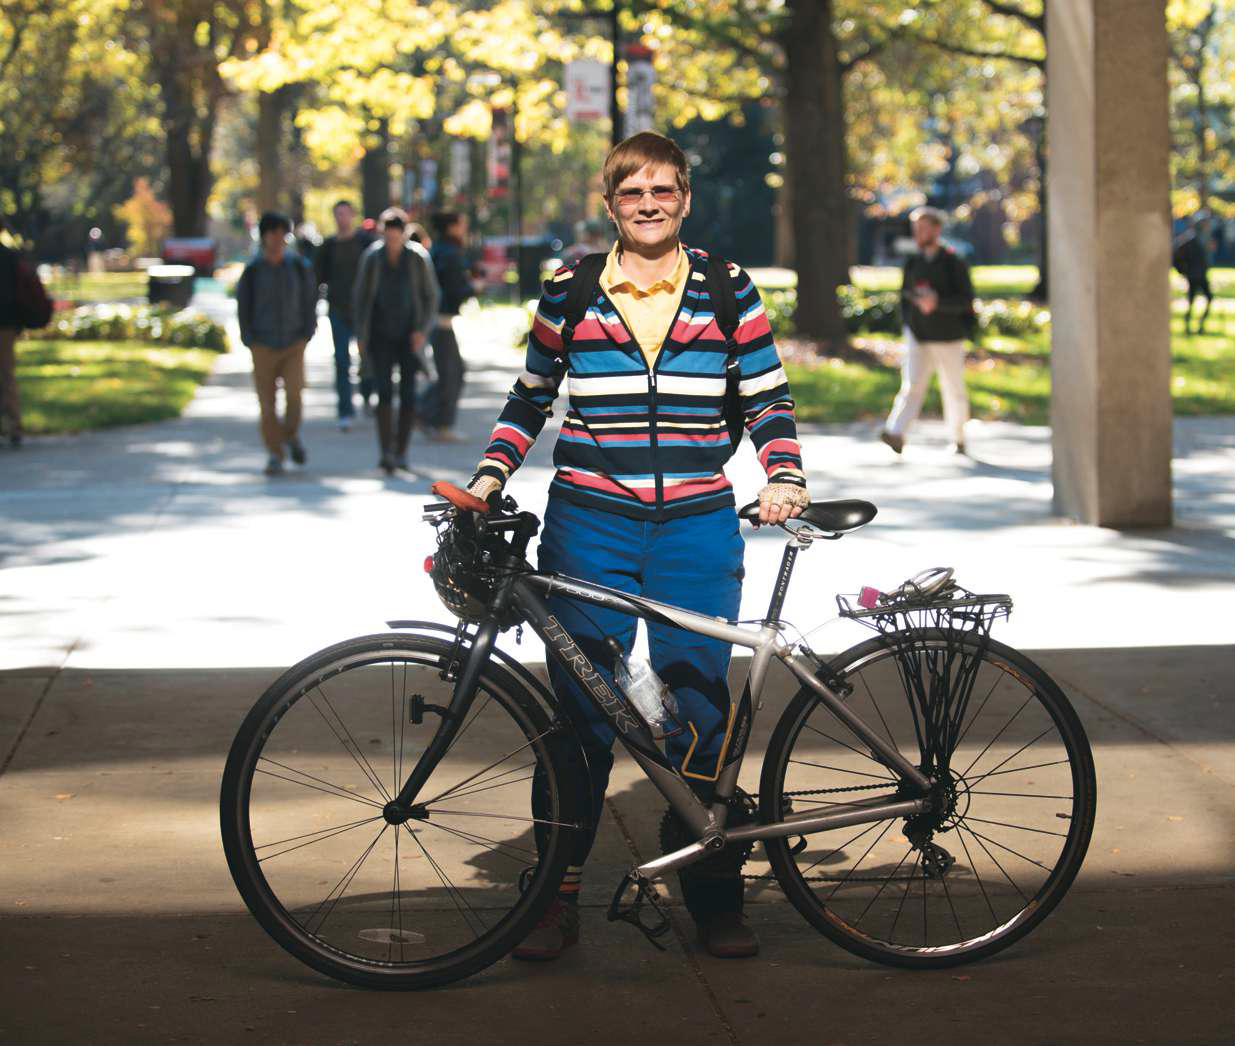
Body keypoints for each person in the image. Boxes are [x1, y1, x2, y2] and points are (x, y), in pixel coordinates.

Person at [466, 131, 809, 961]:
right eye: (631, 193)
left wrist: (783, 474)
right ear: (609, 202)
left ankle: (714, 894)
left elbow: (767, 398)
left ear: (684, 198)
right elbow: (531, 396)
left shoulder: (729, 289)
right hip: (589, 521)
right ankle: (553, 896)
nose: (647, 204)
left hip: (695, 525)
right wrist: (488, 476)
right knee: (582, 714)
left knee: (698, 709)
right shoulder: (572, 288)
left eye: (662, 191)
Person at [880, 206, 975, 456]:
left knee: (953, 389)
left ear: (936, 229)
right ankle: (896, 432)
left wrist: (938, 304)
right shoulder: (913, 262)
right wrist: (910, 321)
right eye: (915, 228)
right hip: (918, 335)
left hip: (949, 336)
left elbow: (966, 300)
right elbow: (904, 297)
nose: (918, 233)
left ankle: (959, 438)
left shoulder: (953, 261)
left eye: (923, 227)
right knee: (912, 385)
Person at [352, 207, 439, 474]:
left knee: (408, 393)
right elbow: (361, 297)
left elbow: (431, 296)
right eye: (387, 236)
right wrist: (362, 335)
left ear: (403, 234)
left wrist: (422, 330)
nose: (392, 242)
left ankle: (402, 450)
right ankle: (385, 452)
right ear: (382, 233)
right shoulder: (372, 258)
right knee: (384, 392)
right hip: (380, 334)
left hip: (408, 334)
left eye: (396, 236)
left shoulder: (417, 258)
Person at [236, 211, 317, 476]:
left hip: (294, 341)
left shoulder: (298, 267)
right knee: (267, 403)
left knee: (295, 396)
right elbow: (243, 306)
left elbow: (309, 300)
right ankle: (275, 452)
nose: (278, 238)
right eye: (273, 233)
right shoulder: (253, 270)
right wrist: (248, 337)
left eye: (283, 233)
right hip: (263, 343)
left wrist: (307, 332)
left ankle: (290, 435)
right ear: (264, 236)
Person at [315, 200, 374, 430]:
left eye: (346, 214)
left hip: (364, 312)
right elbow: (317, 278)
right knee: (341, 360)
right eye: (338, 214)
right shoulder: (327, 246)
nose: (342, 218)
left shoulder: (365, 243)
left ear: (353, 216)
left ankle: (368, 396)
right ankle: (345, 410)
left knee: (368, 358)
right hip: (338, 311)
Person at [419, 211, 476, 442]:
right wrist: (474, 287)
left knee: (452, 372)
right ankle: (434, 419)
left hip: (438, 320)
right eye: (462, 223)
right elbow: (454, 290)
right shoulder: (450, 253)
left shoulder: (439, 250)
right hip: (440, 320)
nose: (465, 227)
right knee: (451, 373)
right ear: (451, 227)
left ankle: (424, 413)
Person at [0, 216, 52, 449]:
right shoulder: (11, 256)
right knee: (6, 374)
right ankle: (14, 425)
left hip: (5, 323)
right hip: (8, 324)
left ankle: (12, 426)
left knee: (6, 375)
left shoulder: (8, 257)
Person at [1173, 215, 1215, 335]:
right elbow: (1176, 257)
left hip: (1202, 274)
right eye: (1205, 225)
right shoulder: (1189, 240)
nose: (1208, 227)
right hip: (1193, 275)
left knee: (1209, 299)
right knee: (1191, 301)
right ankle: (1187, 327)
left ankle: (1200, 326)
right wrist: (1183, 271)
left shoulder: (1205, 239)